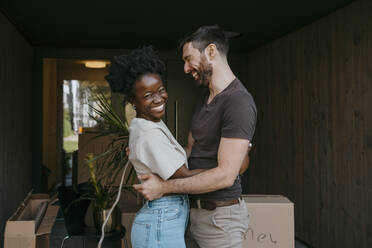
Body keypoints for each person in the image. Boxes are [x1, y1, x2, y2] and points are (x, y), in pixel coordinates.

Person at [133, 25, 257, 248]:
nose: (185, 68)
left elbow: (226, 176)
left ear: (211, 52)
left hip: (220, 220)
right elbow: (189, 150)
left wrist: (164, 187)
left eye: (188, 59)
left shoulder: (238, 102)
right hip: (191, 213)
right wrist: (150, 153)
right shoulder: (205, 97)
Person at [105, 46, 206, 248]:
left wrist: (194, 139)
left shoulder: (152, 123)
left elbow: (177, 159)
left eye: (160, 90)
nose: (159, 99)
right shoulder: (148, 133)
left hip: (163, 220)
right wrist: (227, 169)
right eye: (148, 95)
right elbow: (185, 177)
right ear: (133, 101)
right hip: (161, 223)